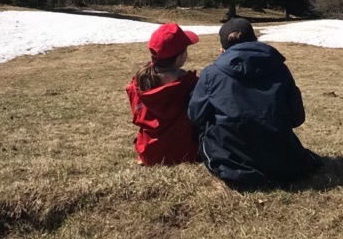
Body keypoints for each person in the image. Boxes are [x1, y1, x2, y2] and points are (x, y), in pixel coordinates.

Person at [187, 17, 317, 188]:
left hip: (230, 160)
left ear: (222, 48)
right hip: (281, 158)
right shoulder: (279, 68)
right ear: (255, 40)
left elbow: (196, 117)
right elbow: (297, 118)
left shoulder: (212, 73)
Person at [126, 22, 200, 166]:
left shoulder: (138, 84)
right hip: (184, 152)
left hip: (149, 153)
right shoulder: (190, 83)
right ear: (180, 58)